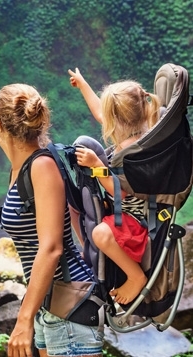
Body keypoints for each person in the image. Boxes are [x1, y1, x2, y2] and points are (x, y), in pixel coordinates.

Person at [0, 83, 104, 357]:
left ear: (5, 125)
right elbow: (1, 134)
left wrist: (23, 319)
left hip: (70, 306)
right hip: (48, 305)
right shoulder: (22, 161)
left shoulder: (42, 168)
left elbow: (52, 248)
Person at [68, 68, 161, 305]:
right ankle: (90, 253)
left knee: (100, 233)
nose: (104, 120)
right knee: (72, 208)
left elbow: (118, 192)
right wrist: (83, 84)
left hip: (136, 220)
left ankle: (135, 276)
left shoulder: (134, 152)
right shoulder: (140, 132)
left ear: (117, 120)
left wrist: (96, 164)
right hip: (125, 212)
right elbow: (101, 112)